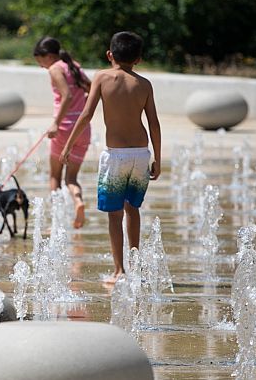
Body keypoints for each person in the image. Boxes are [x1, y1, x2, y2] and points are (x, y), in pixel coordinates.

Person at [60, 32, 161, 280]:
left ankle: (119, 270)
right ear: (138, 59)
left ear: (109, 55)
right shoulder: (144, 84)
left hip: (115, 156)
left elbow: (86, 115)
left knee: (114, 215)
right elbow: (154, 123)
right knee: (133, 209)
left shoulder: (103, 78)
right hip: (140, 153)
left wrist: (68, 146)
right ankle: (135, 267)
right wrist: (158, 158)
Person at [33, 36, 92, 229]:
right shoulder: (73, 65)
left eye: (40, 61)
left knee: (55, 177)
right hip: (83, 128)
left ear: (49, 56)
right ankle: (78, 201)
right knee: (72, 178)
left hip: (65, 128)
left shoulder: (55, 68)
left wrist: (55, 124)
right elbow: (91, 88)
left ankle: (55, 220)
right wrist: (81, 102)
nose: (41, 67)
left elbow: (66, 96)